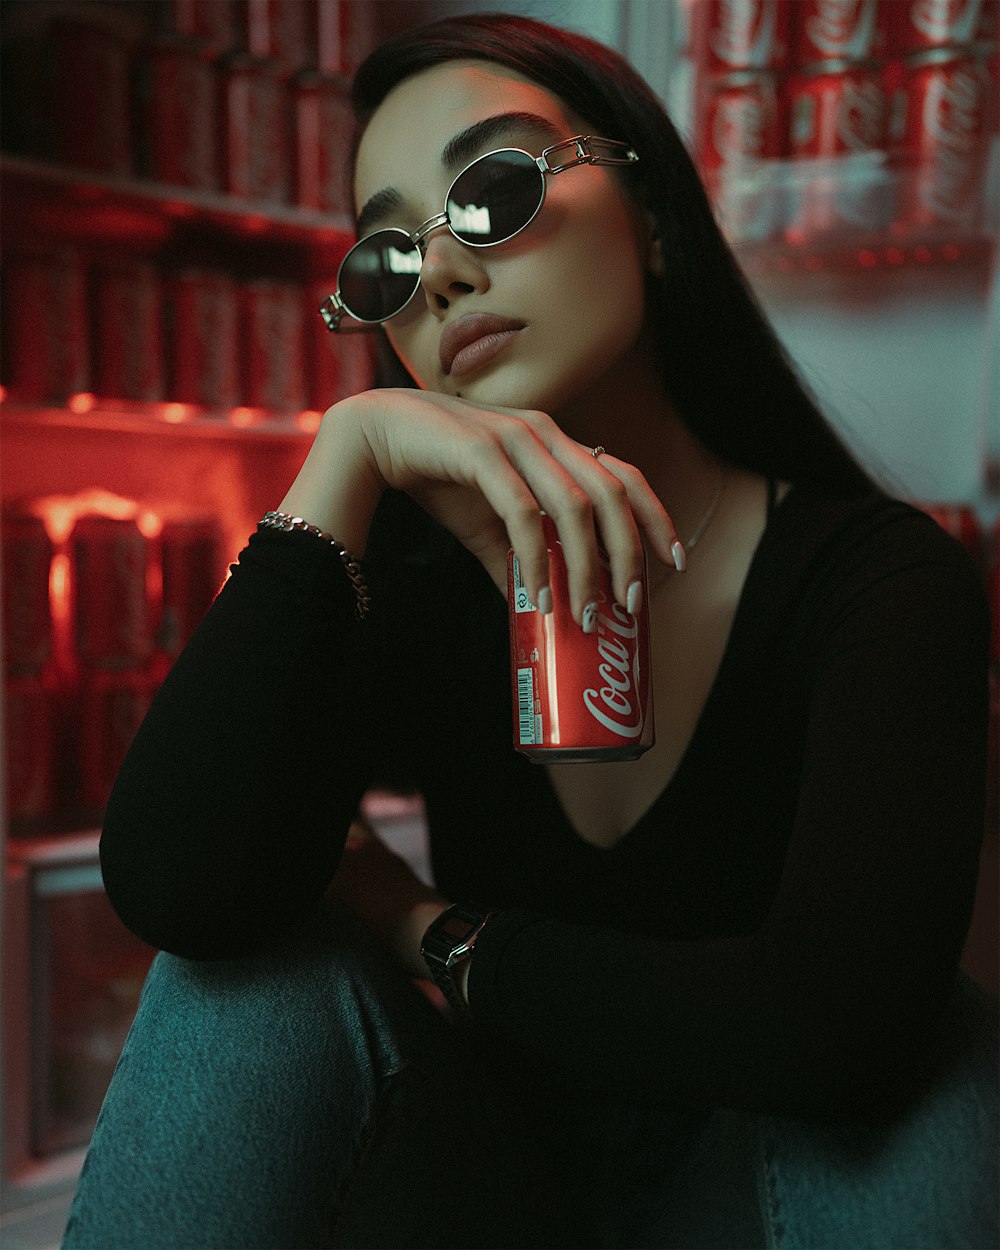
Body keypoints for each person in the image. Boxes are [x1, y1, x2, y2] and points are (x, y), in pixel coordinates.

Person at [62, 12, 996, 1250]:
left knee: (947, 1050)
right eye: (386, 260)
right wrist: (346, 454)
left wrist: (426, 928)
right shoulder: (406, 583)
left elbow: (836, 1025)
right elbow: (181, 886)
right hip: (486, 1187)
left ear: (652, 217)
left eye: (495, 190)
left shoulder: (876, 578)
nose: (437, 273)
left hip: (769, 1180)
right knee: (247, 982)